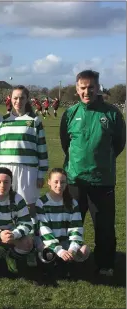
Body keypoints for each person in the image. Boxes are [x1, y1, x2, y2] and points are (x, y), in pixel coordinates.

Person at [60, 69, 126, 277]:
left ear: (98, 88)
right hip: (75, 180)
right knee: (69, 224)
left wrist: (101, 161)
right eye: (82, 88)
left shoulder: (112, 113)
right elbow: (65, 143)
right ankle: (66, 261)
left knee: (104, 226)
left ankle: (105, 264)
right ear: (77, 89)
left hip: (102, 181)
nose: (86, 91)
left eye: (91, 87)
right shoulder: (70, 114)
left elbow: (119, 144)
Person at [0, 85, 48, 266]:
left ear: (27, 99)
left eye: (21, 98)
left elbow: (42, 149)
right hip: (6, 170)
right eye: (15, 98)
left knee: (28, 208)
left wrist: (42, 172)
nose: (18, 101)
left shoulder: (34, 120)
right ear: (10, 99)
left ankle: (31, 246)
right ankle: (9, 245)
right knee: (8, 208)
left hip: (28, 170)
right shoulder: (2, 121)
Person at [35, 168, 90, 268]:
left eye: (63, 182)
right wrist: (58, 250)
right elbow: (44, 230)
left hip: (65, 241)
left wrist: (72, 249)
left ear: (66, 183)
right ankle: (55, 259)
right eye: (56, 182)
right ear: (49, 182)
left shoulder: (73, 203)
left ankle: (65, 260)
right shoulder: (41, 202)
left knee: (84, 250)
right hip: (47, 242)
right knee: (48, 255)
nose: (59, 185)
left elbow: (76, 228)